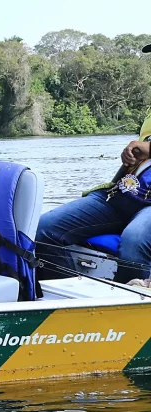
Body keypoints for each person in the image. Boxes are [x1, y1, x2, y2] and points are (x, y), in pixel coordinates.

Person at [35, 113, 151, 285]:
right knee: (44, 229)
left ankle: (130, 303)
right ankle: (72, 299)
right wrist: (130, 155)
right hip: (122, 193)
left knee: (134, 241)